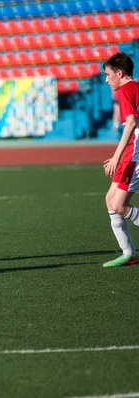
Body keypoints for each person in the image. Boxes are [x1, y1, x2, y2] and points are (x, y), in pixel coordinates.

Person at [102, 52, 139, 267]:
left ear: (119, 73)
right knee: (110, 200)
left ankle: (130, 253)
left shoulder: (125, 90)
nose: (107, 80)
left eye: (108, 75)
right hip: (131, 152)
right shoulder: (135, 87)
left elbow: (131, 123)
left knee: (118, 205)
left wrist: (117, 156)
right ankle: (129, 253)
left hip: (134, 153)